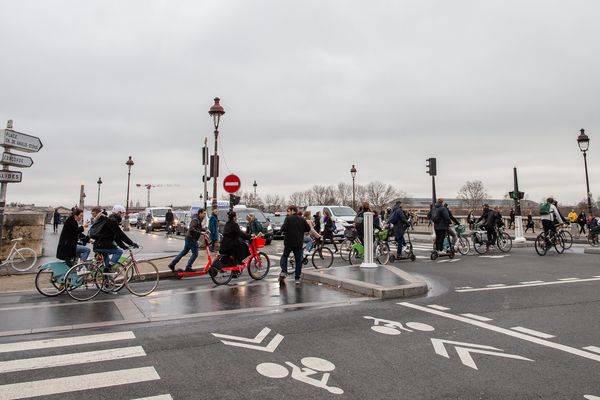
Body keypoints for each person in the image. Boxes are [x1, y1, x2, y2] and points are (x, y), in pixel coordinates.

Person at [89, 205, 138, 273]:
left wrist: (123, 246)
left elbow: (116, 237)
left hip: (100, 244)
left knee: (106, 269)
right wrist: (131, 243)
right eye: (123, 213)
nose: (123, 215)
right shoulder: (112, 221)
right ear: (119, 213)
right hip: (102, 245)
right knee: (119, 252)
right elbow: (120, 234)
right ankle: (108, 267)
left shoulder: (110, 220)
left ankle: (106, 281)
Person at [279, 205, 310, 286]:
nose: (287, 212)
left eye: (288, 211)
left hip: (289, 242)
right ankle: (297, 278)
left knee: (285, 256)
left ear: (293, 211)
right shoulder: (302, 219)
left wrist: (284, 231)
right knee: (298, 260)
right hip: (298, 243)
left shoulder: (288, 219)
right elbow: (308, 229)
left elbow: (283, 228)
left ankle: (284, 271)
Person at [168, 208, 206, 272]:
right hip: (192, 239)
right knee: (195, 254)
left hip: (189, 238)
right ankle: (188, 267)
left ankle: (172, 264)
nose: (205, 215)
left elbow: (197, 228)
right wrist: (201, 233)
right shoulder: (195, 220)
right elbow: (192, 229)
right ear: (200, 213)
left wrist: (205, 230)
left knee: (184, 252)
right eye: (204, 213)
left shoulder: (198, 219)